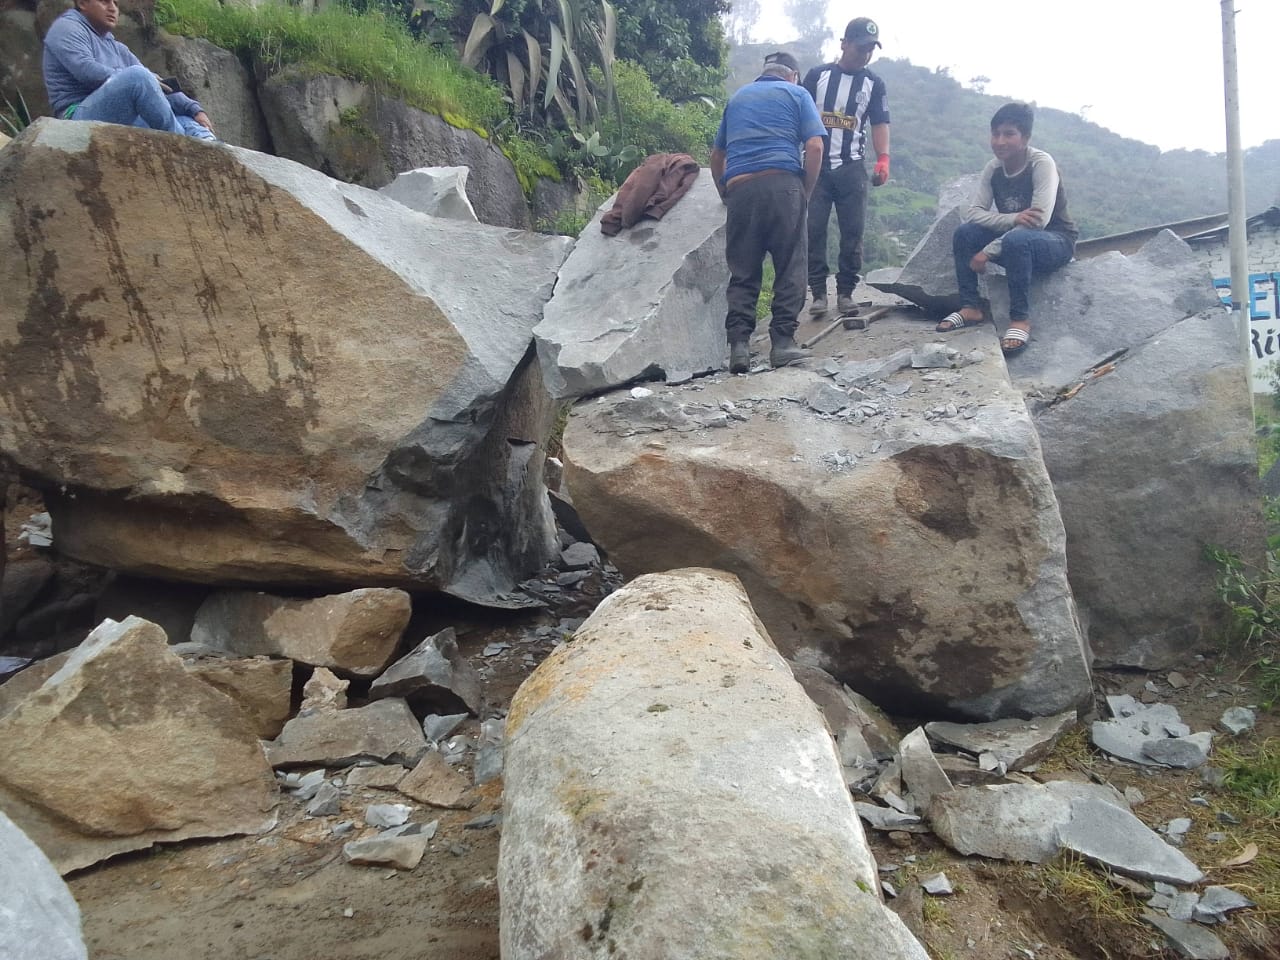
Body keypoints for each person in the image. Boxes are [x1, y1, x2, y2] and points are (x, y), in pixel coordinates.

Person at [710, 51, 826, 374]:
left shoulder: (737, 99)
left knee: (743, 270)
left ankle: (739, 348)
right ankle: (783, 344)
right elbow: (815, 147)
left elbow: (716, 156)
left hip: (741, 190)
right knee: (790, 265)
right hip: (784, 185)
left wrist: (726, 191)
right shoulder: (797, 93)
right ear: (793, 75)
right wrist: (806, 190)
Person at [937, 102, 1077, 356]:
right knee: (965, 233)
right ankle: (971, 306)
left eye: (1009, 134)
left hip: (1055, 240)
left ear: (1025, 138)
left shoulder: (1041, 164)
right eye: (996, 134)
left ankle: (1020, 319)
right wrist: (1013, 219)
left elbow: (1038, 221)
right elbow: (974, 212)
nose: (1000, 141)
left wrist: (988, 251)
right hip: (1016, 236)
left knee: (1018, 240)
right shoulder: (993, 169)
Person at [801, 16, 890, 318]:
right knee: (814, 229)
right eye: (860, 47)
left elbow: (879, 123)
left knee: (853, 232)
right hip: (817, 167)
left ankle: (846, 293)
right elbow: (797, 113)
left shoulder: (873, 84)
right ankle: (817, 294)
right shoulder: (817, 76)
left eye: (870, 49)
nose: (864, 54)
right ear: (844, 44)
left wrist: (883, 158)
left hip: (852, 167)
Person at [43, 0, 217, 141]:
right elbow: (86, 71)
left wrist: (194, 109)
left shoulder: (118, 48)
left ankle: (214, 150)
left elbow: (158, 86)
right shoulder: (67, 27)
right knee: (139, 76)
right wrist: (133, 77)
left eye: (116, 3)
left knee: (186, 119)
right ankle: (183, 146)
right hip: (77, 117)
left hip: (119, 116)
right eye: (105, 2)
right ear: (82, 3)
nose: (113, 8)